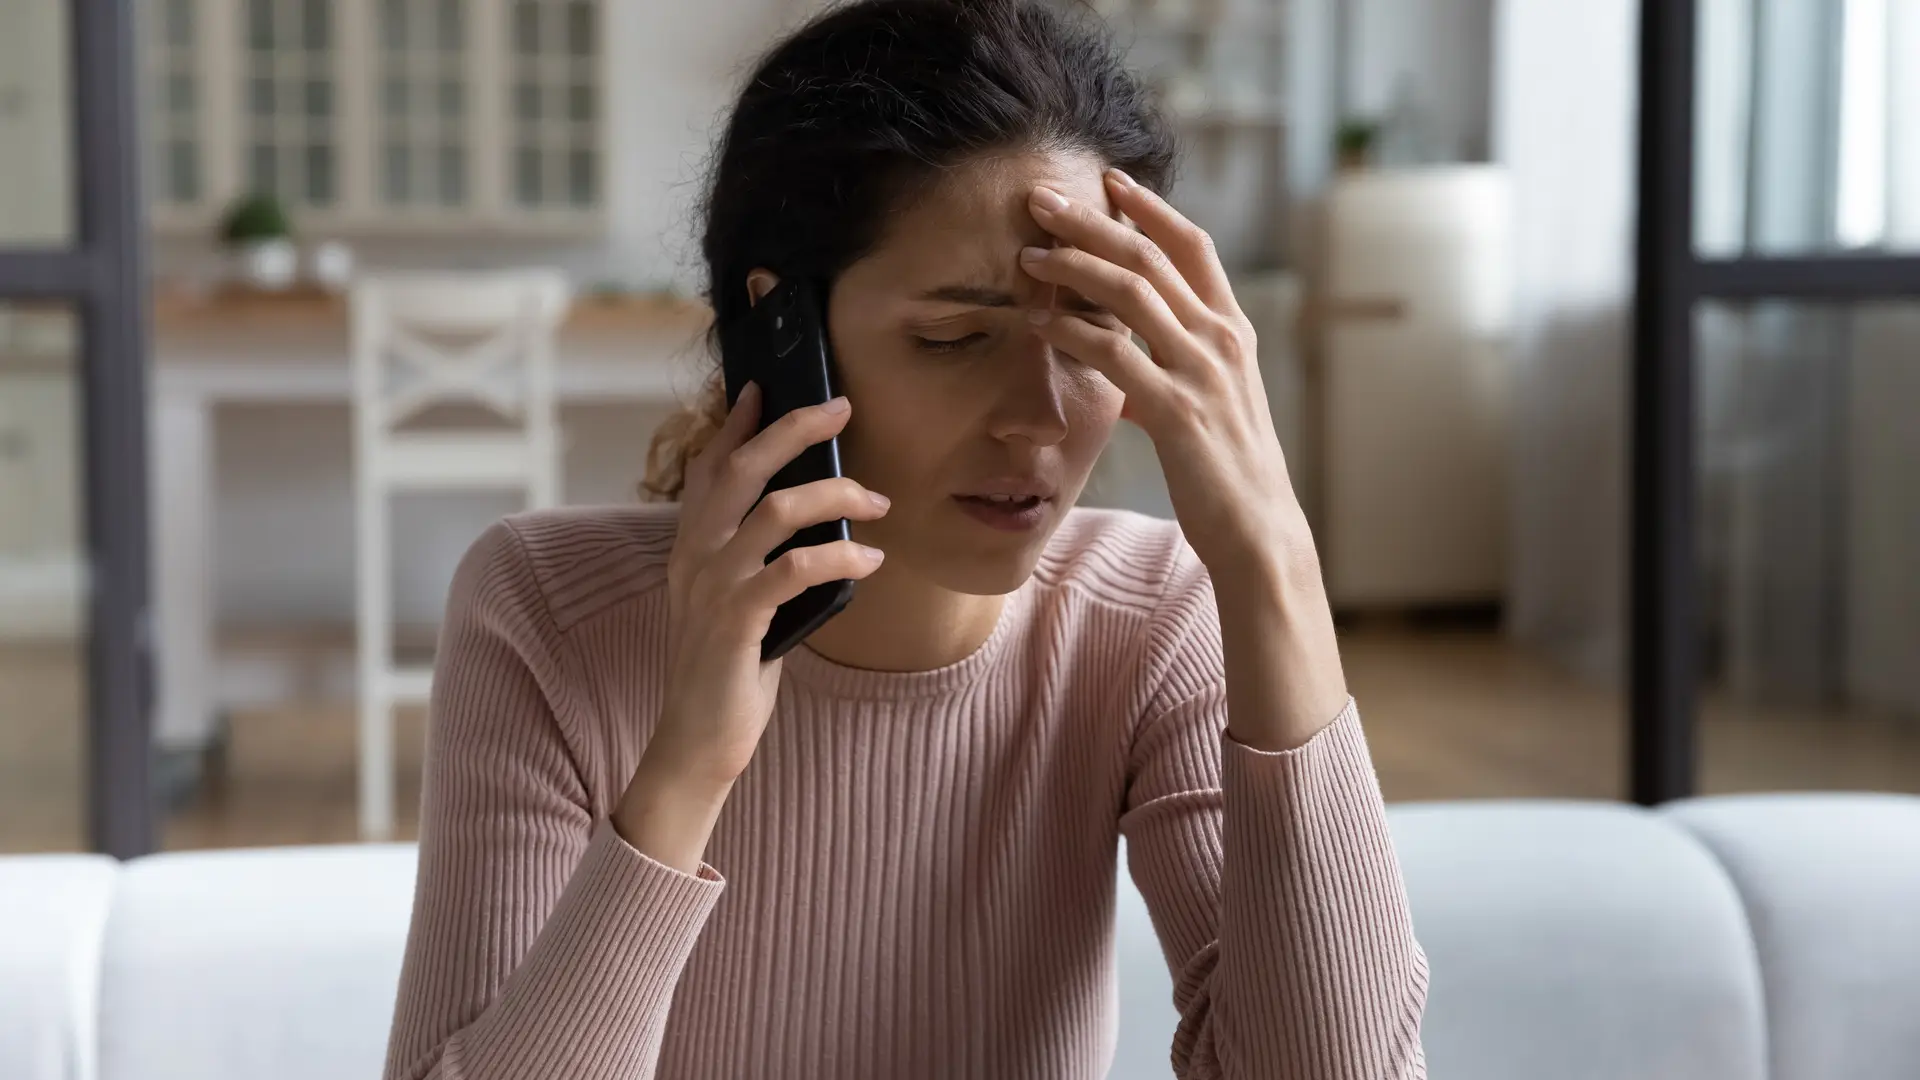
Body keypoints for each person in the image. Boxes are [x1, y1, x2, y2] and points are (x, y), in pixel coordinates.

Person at [381, 1, 1428, 1077]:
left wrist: (1273, 559)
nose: (1043, 416)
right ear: (783, 333)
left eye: (1089, 334)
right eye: (954, 337)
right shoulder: (547, 613)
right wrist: (687, 766)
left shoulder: (1147, 619)